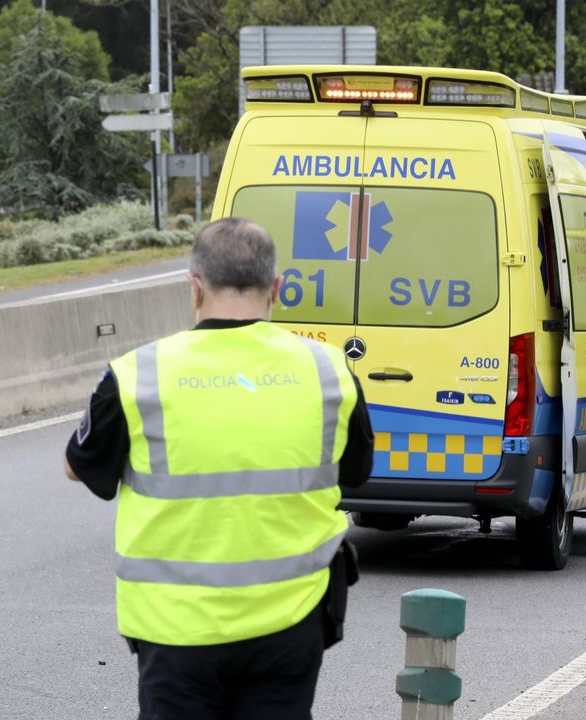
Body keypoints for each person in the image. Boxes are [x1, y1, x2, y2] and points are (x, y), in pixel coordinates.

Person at [63, 218, 373, 720]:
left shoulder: (137, 375)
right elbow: (356, 471)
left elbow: (81, 469)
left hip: (174, 630)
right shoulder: (328, 371)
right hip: (290, 623)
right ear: (276, 288)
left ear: (194, 287)